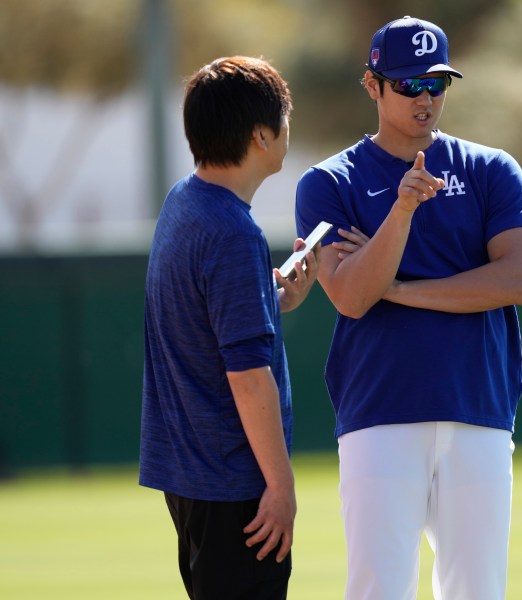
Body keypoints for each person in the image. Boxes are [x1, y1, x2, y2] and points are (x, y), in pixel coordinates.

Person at [294, 16, 522, 600]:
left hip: (476, 408)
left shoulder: (492, 169)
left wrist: (400, 290)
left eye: (437, 83)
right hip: (379, 412)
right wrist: (401, 212)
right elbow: (351, 298)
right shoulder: (329, 182)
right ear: (373, 85)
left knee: (477, 590)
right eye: (408, 85)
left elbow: (517, 279)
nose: (425, 98)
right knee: (378, 588)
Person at [140, 56, 320, 600]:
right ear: (262, 135)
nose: (289, 130)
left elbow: (197, 318)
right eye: (284, 120)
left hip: (190, 478)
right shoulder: (233, 233)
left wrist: (268, 297)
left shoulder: (183, 202)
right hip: (234, 489)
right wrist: (281, 484)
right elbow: (246, 375)